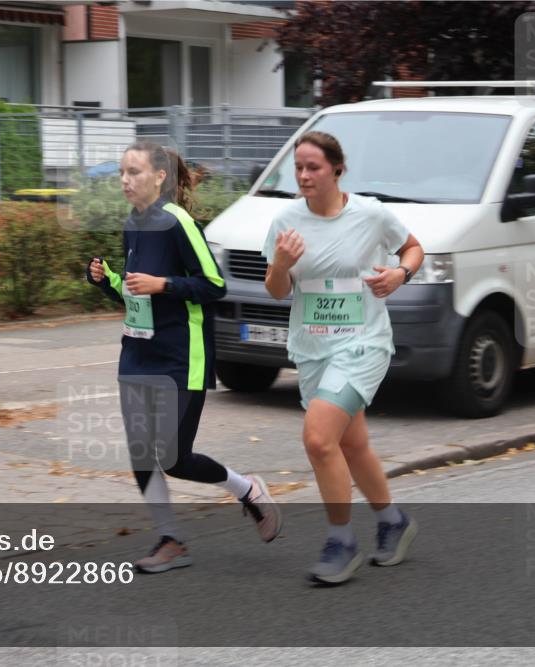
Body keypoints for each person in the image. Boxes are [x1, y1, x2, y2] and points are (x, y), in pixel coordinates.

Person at [86, 141, 281, 574]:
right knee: (141, 451)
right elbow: (135, 291)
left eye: (133, 171)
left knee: (175, 457)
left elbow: (214, 285)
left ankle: (247, 490)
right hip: (137, 352)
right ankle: (170, 540)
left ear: (159, 177)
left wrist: (164, 285)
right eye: (122, 172)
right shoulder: (133, 224)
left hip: (180, 356)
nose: (124, 180)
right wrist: (106, 280)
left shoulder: (178, 223)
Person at [263, 131, 424, 584]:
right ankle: (393, 521)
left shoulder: (369, 214)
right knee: (351, 444)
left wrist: (399, 273)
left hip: (363, 343)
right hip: (313, 349)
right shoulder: (286, 221)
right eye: (298, 167)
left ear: (337, 169)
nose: (304, 175)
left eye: (313, 167)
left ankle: (341, 541)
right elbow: (277, 290)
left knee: (318, 439)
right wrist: (278, 264)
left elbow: (414, 247)